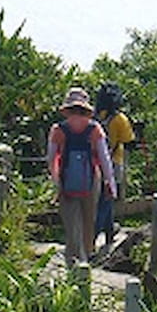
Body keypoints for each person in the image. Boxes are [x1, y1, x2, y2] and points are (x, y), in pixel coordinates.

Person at [45, 86, 116, 266]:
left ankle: (72, 258)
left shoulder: (58, 129)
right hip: (92, 179)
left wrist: (56, 182)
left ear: (67, 109)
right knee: (88, 218)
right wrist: (111, 183)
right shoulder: (95, 128)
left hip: (66, 179)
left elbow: (51, 158)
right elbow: (104, 158)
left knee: (71, 221)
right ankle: (85, 257)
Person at [92, 82, 136, 252]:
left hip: (94, 163)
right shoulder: (120, 119)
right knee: (106, 198)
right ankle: (94, 235)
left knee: (104, 198)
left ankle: (110, 232)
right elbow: (129, 143)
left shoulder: (95, 117)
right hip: (113, 162)